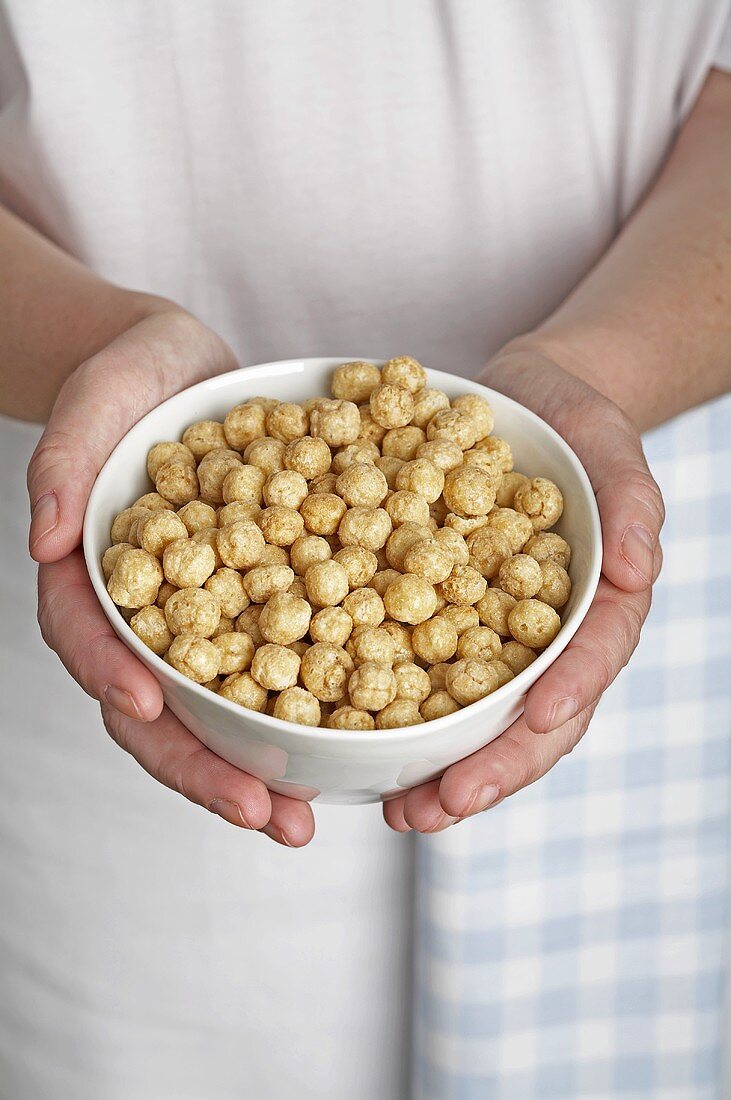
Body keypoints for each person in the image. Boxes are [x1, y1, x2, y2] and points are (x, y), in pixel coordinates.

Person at [1, 2, 729, 1096]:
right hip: (111, 660)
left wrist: (605, 369)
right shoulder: (209, 551)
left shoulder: (497, 540)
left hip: (634, 507)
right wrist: (84, 343)